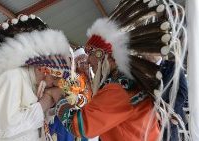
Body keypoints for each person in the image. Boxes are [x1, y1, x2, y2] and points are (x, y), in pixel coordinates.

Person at [54, 0, 186, 140]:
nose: (87, 60)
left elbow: (80, 125)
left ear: (103, 55)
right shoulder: (128, 80)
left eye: (90, 54)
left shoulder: (120, 87)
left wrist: (58, 98)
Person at [0, 14, 72, 141]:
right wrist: (44, 103)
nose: (57, 85)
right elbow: (3, 129)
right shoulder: (12, 77)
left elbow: (37, 121)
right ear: (45, 70)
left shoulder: (37, 84)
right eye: (56, 79)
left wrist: (52, 105)